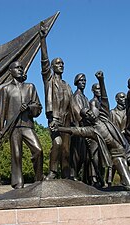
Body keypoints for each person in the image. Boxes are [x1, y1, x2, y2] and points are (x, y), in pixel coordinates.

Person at [52, 71, 130, 191]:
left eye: (90, 111)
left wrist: (101, 81)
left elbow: (104, 98)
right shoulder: (91, 130)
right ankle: (111, 190)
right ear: (86, 118)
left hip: (128, 150)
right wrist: (59, 128)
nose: (90, 113)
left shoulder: (104, 116)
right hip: (118, 156)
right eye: (87, 114)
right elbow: (74, 130)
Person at [0, 61, 43, 189]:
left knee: (38, 150)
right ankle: (17, 184)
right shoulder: (6, 89)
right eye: (17, 67)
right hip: (13, 127)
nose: (20, 69)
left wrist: (29, 108)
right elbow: (1, 112)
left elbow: (38, 107)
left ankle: (39, 181)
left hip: (27, 125)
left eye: (21, 67)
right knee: (16, 155)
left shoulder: (30, 87)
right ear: (10, 71)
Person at [40, 23, 73, 179]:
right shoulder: (49, 80)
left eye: (62, 63)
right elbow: (44, 61)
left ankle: (66, 175)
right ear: (52, 67)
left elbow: (74, 107)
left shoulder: (67, 86)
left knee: (66, 150)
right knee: (58, 144)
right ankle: (52, 172)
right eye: (58, 63)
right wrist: (43, 40)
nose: (61, 65)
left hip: (67, 121)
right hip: (55, 119)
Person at [70, 73, 89, 181]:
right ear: (77, 82)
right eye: (81, 80)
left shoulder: (85, 97)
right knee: (77, 153)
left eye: (85, 80)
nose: (83, 82)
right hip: (79, 128)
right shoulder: (76, 96)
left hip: (85, 129)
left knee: (83, 155)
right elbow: (78, 112)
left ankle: (78, 175)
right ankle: (73, 174)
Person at [107, 92, 127, 186]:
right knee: (112, 163)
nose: (124, 99)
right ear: (117, 99)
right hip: (115, 140)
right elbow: (109, 126)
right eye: (122, 97)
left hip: (125, 140)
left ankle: (124, 180)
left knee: (126, 161)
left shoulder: (128, 112)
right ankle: (109, 181)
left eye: (125, 97)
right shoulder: (112, 112)